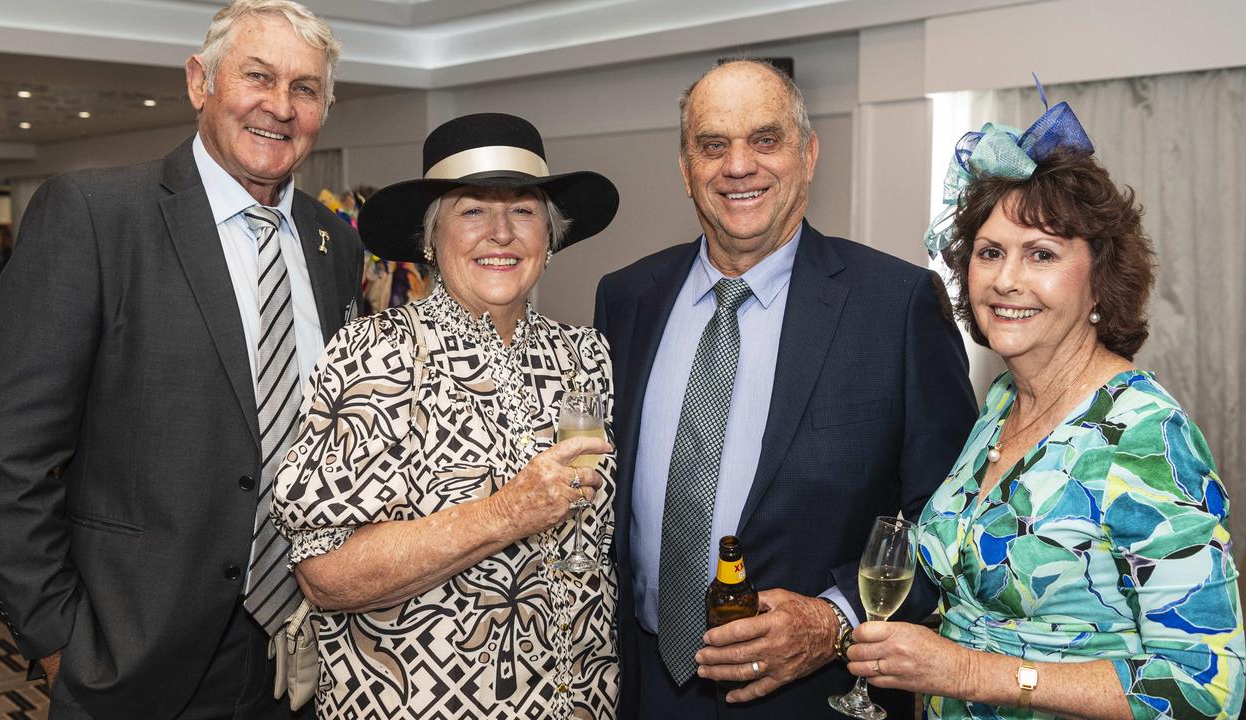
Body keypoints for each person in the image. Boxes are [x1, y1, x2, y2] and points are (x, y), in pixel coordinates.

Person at [0, 1, 363, 716]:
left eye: (305, 88)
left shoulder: (335, 243)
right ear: (198, 83)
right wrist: (58, 639)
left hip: (303, 651)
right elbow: (8, 454)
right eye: (258, 77)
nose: (280, 106)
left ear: (325, 109)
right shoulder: (93, 216)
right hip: (135, 655)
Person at [592, 58, 977, 718]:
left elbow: (954, 521)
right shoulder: (626, 298)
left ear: (808, 154)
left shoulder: (896, 304)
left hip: (815, 695)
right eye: (713, 145)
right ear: (686, 169)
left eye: (765, 140)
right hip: (644, 686)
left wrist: (834, 621)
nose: (739, 166)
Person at [845, 101, 1245, 719]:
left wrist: (971, 671)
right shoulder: (1004, 402)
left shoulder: (1146, 437)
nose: (1006, 280)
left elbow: (1207, 690)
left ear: (1100, 278)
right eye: (989, 252)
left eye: (1041, 255)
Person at [272, 112, 621, 719]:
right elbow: (326, 573)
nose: (502, 232)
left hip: (583, 700)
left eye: (523, 209)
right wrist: (509, 511)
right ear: (431, 239)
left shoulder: (585, 354)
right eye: (472, 210)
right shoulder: (376, 354)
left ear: (550, 234)